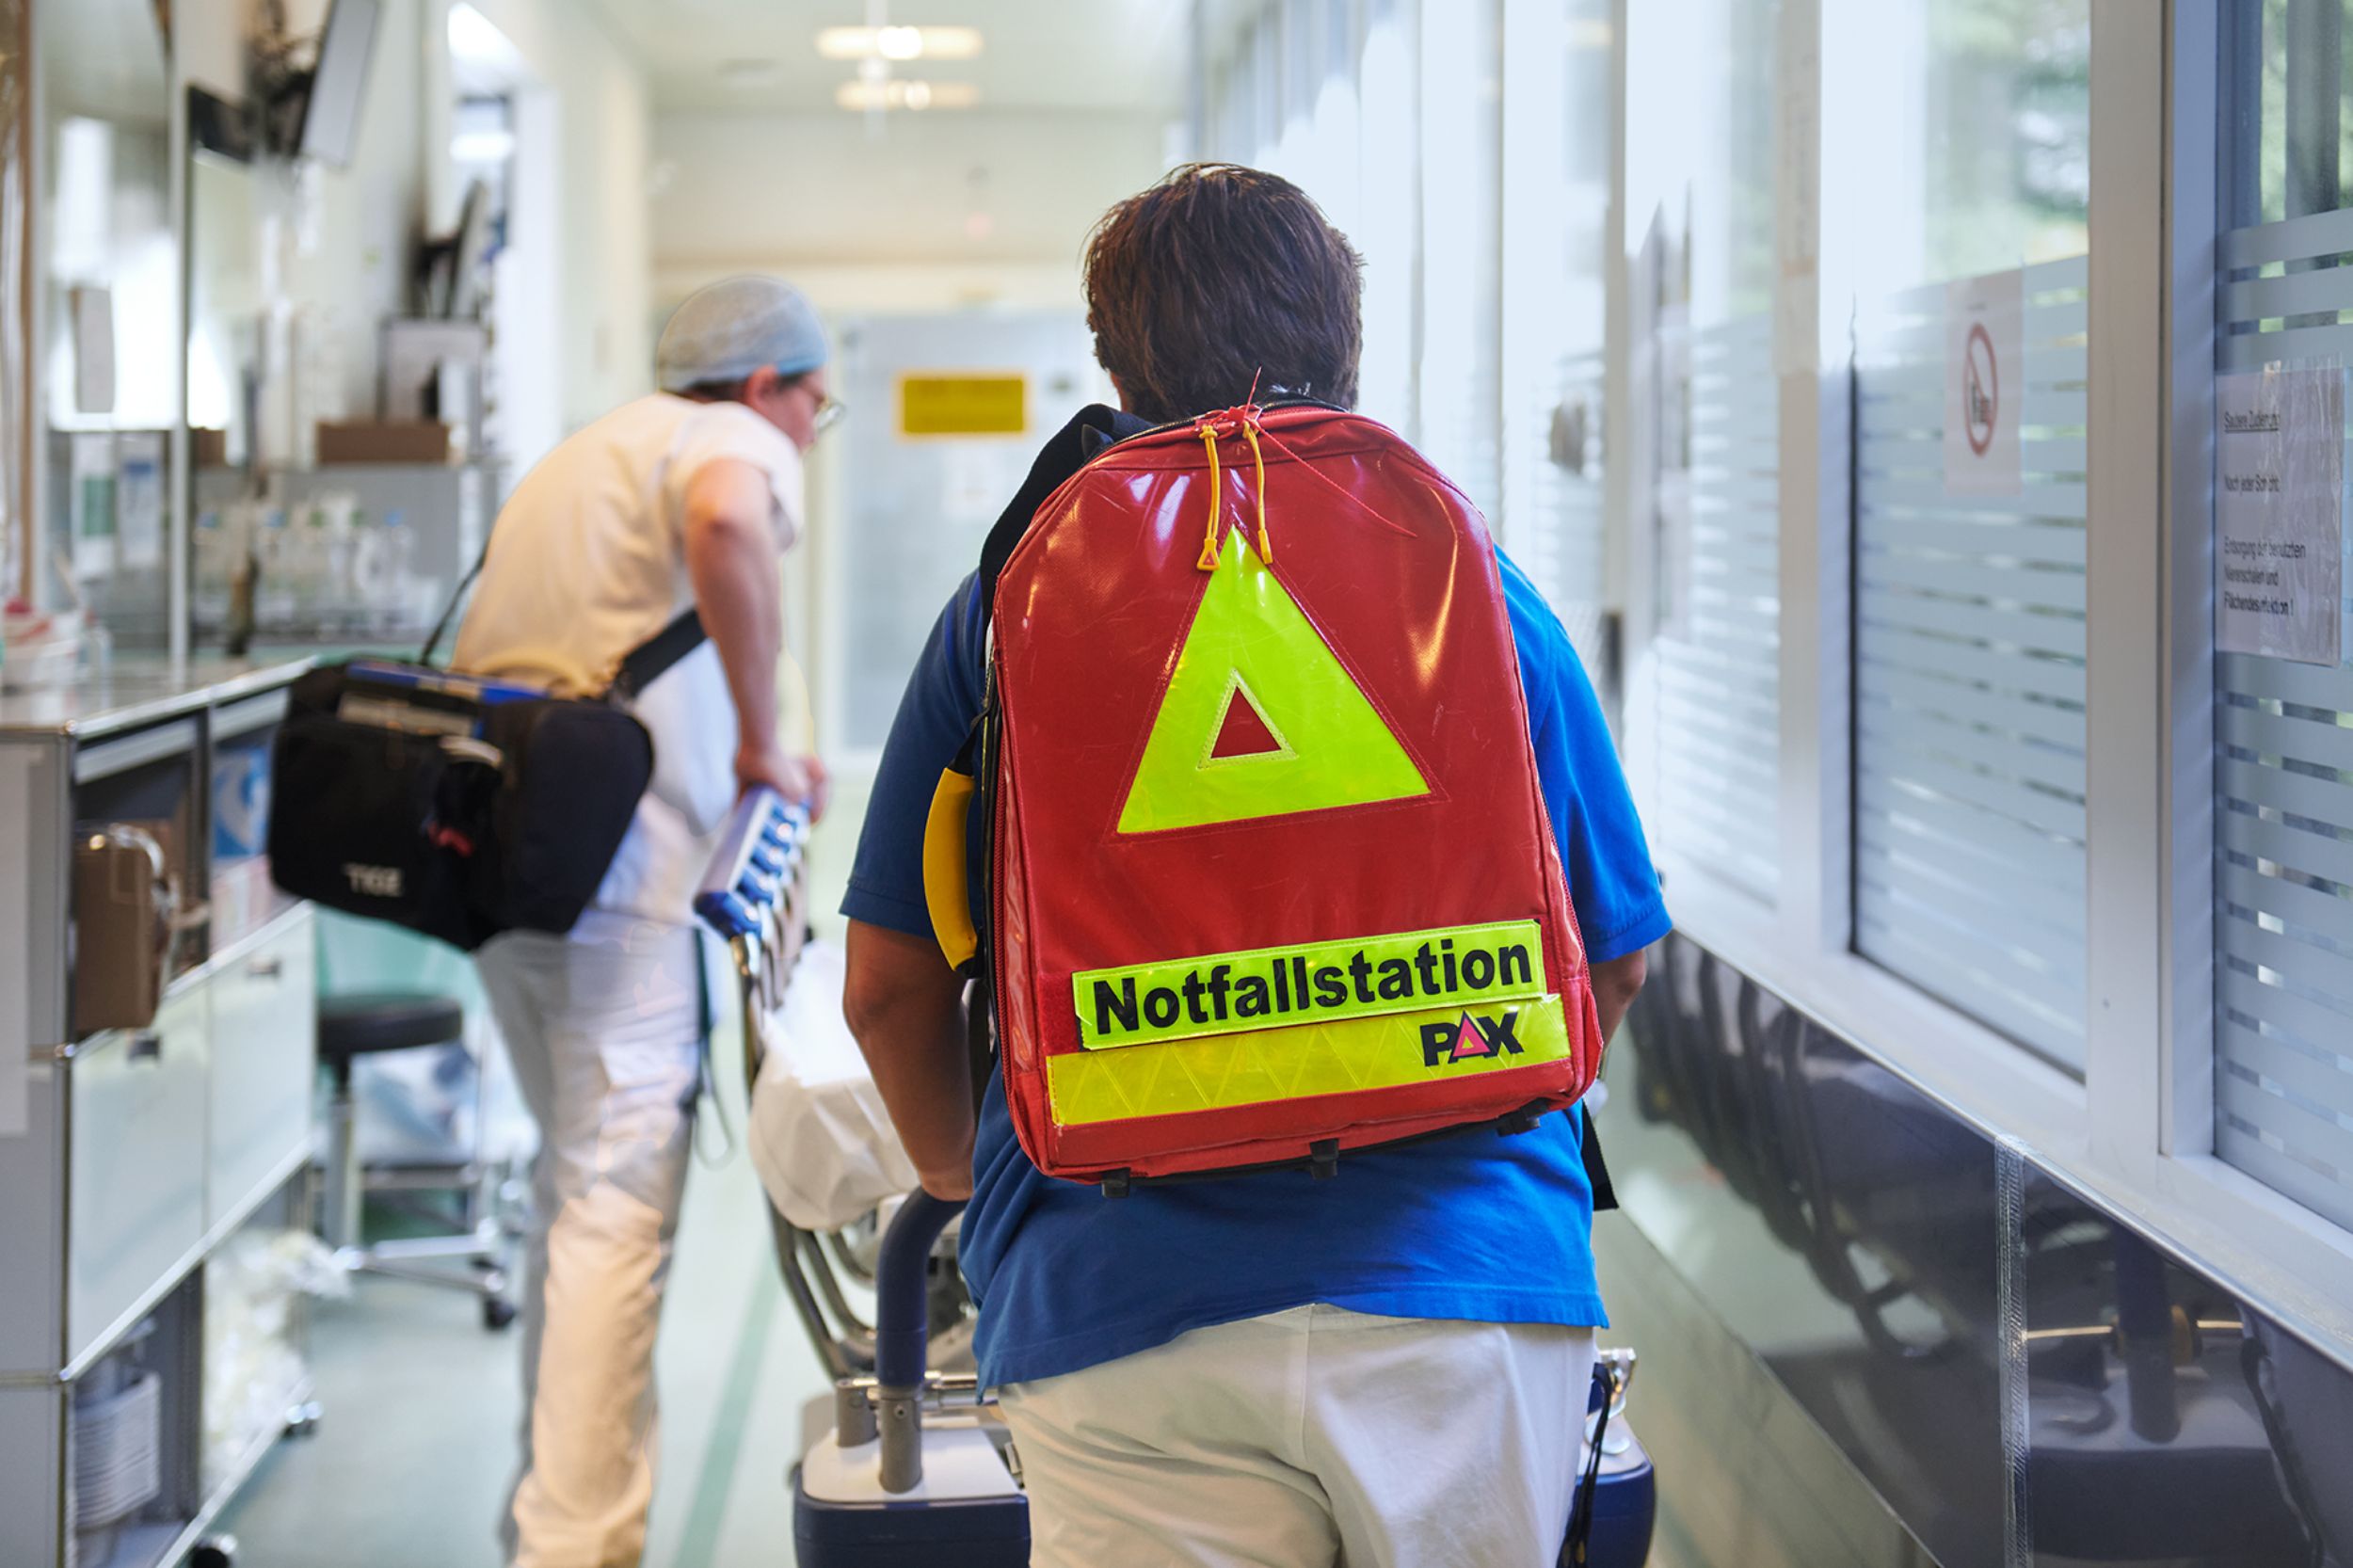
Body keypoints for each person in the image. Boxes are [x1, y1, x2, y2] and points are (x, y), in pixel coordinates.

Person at [840, 164, 1670, 1568]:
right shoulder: (1474, 583)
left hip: (1118, 1301)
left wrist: (986, 1198)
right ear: (1348, 350)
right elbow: (1615, 952)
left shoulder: (1008, 602)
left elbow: (885, 991)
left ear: (1120, 364)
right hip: (1461, 1292)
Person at [451, 275, 834, 1568]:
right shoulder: (726, 442)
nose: (807, 431)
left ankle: (569, 1516)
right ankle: (575, 1542)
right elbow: (729, 517)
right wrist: (766, 749)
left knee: (577, 1183)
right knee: (616, 1201)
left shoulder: (582, 454)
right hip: (619, 879)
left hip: (510, 871)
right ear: (765, 384)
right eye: (813, 404)